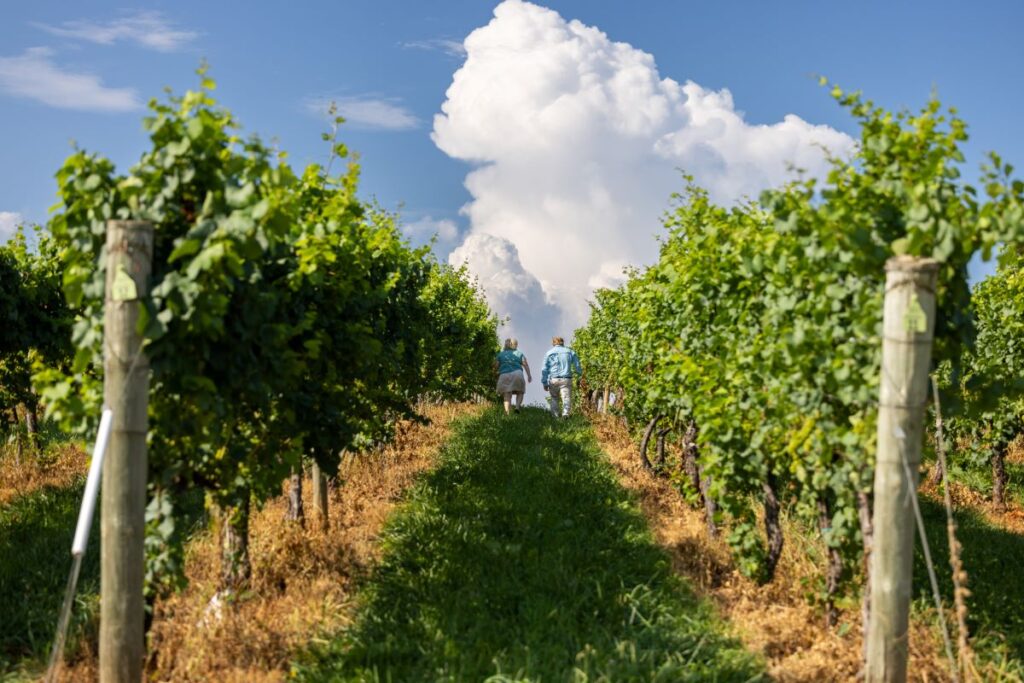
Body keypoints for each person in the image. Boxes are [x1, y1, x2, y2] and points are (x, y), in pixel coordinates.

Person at [541, 336, 582, 418]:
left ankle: (555, 416)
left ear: (553, 343)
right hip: (566, 379)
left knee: (554, 398)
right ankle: (565, 414)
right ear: (562, 342)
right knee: (566, 398)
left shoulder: (549, 353)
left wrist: (544, 382)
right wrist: (580, 374)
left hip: (554, 379)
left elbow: (544, 369)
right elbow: (577, 365)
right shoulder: (570, 352)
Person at [494, 338, 531, 414]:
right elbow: (525, 364)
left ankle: (507, 413)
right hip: (517, 373)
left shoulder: (501, 354)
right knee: (520, 391)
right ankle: (517, 407)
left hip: (504, 374)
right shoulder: (519, 353)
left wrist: (494, 373)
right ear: (516, 345)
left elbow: (496, 366)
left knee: (507, 394)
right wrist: (529, 375)